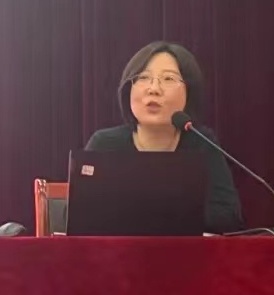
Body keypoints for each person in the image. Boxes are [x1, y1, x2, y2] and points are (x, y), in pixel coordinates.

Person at [85, 40, 244, 233]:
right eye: (143, 78)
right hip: (119, 252)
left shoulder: (202, 144)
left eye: (168, 79)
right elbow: (75, 217)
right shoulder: (104, 145)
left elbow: (228, 216)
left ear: (189, 91)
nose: (154, 89)